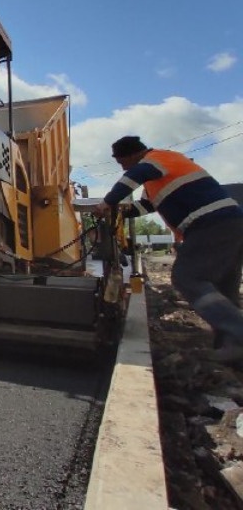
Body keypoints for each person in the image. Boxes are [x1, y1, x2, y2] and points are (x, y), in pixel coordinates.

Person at [95, 135, 243, 362]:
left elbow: (132, 176)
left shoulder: (156, 159)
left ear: (132, 155)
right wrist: (120, 212)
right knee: (222, 287)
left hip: (212, 223)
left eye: (120, 161)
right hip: (228, 224)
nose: (121, 166)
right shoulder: (157, 177)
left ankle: (238, 332)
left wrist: (108, 202)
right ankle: (232, 349)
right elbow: (147, 205)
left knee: (187, 278)